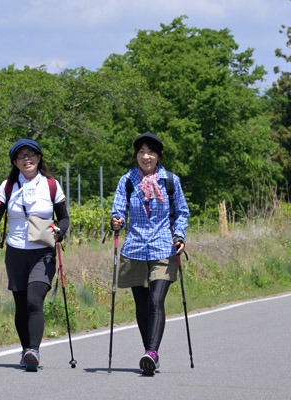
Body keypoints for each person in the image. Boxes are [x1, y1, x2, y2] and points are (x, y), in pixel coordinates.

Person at [110, 131, 189, 376]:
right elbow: (118, 211)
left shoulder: (170, 180)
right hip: (134, 247)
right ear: (136, 155)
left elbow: (182, 212)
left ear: (159, 156)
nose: (146, 156)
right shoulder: (127, 180)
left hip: (164, 246)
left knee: (156, 301)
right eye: (142, 152)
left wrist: (180, 235)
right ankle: (150, 354)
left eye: (151, 152)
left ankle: (151, 352)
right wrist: (117, 221)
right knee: (142, 305)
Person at [0, 138, 69, 372]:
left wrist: (60, 232)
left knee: (34, 300)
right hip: (15, 252)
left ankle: (34, 349)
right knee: (21, 305)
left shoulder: (51, 184)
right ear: (15, 162)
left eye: (31, 154)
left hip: (43, 252)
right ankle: (26, 351)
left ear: (39, 158)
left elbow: (63, 218)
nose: (27, 159)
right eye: (21, 156)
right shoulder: (7, 186)